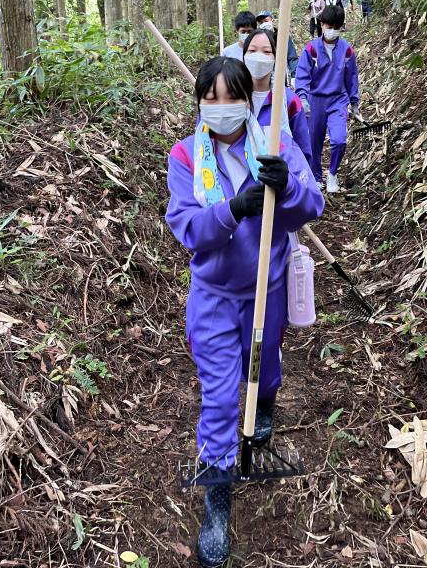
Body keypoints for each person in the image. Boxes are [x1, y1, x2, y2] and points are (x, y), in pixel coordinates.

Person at [166, 57, 324, 568]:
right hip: (214, 297)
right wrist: (233, 209)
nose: (221, 107)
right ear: (198, 103)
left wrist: (288, 186)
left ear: (247, 101)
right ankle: (217, 499)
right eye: (209, 97)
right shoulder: (186, 156)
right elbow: (186, 227)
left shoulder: (274, 145)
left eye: (231, 96)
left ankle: (265, 407)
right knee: (219, 396)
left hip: (267, 290)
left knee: (265, 370)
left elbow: (312, 205)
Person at [295, 5, 359, 193]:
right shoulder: (312, 49)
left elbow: (352, 76)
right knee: (313, 143)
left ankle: (332, 173)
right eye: (328, 26)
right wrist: (302, 97)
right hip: (315, 101)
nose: (331, 30)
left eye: (336, 27)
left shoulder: (346, 50)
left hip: (338, 100)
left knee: (339, 140)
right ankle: (316, 177)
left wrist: (354, 101)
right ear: (322, 24)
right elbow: (302, 74)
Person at [242, 28, 312, 163]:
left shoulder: (289, 100)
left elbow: (303, 151)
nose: (259, 57)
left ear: (276, 58)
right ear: (244, 55)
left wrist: (288, 173)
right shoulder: (232, 97)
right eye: (252, 51)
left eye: (267, 52)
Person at [256, 10, 299, 82]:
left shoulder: (282, 36)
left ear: (272, 20)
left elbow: (292, 57)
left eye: (266, 21)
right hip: (262, 78)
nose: (263, 24)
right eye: (261, 22)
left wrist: (294, 76)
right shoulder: (256, 38)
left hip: (281, 76)